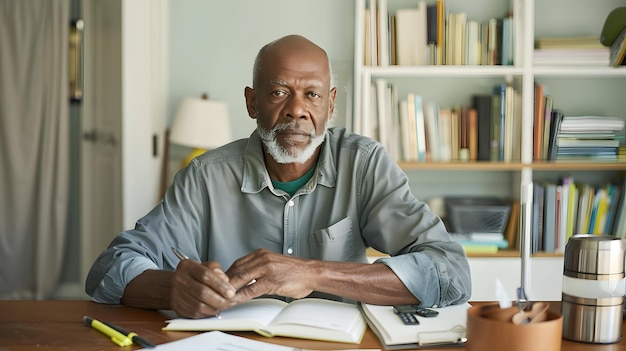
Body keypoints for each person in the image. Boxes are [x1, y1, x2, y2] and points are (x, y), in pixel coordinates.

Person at [85, 34, 471, 318]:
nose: (296, 110)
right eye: (279, 93)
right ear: (252, 102)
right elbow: (109, 269)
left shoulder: (364, 164)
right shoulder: (206, 176)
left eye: (313, 95)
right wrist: (172, 290)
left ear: (332, 103)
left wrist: (312, 273)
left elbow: (450, 274)